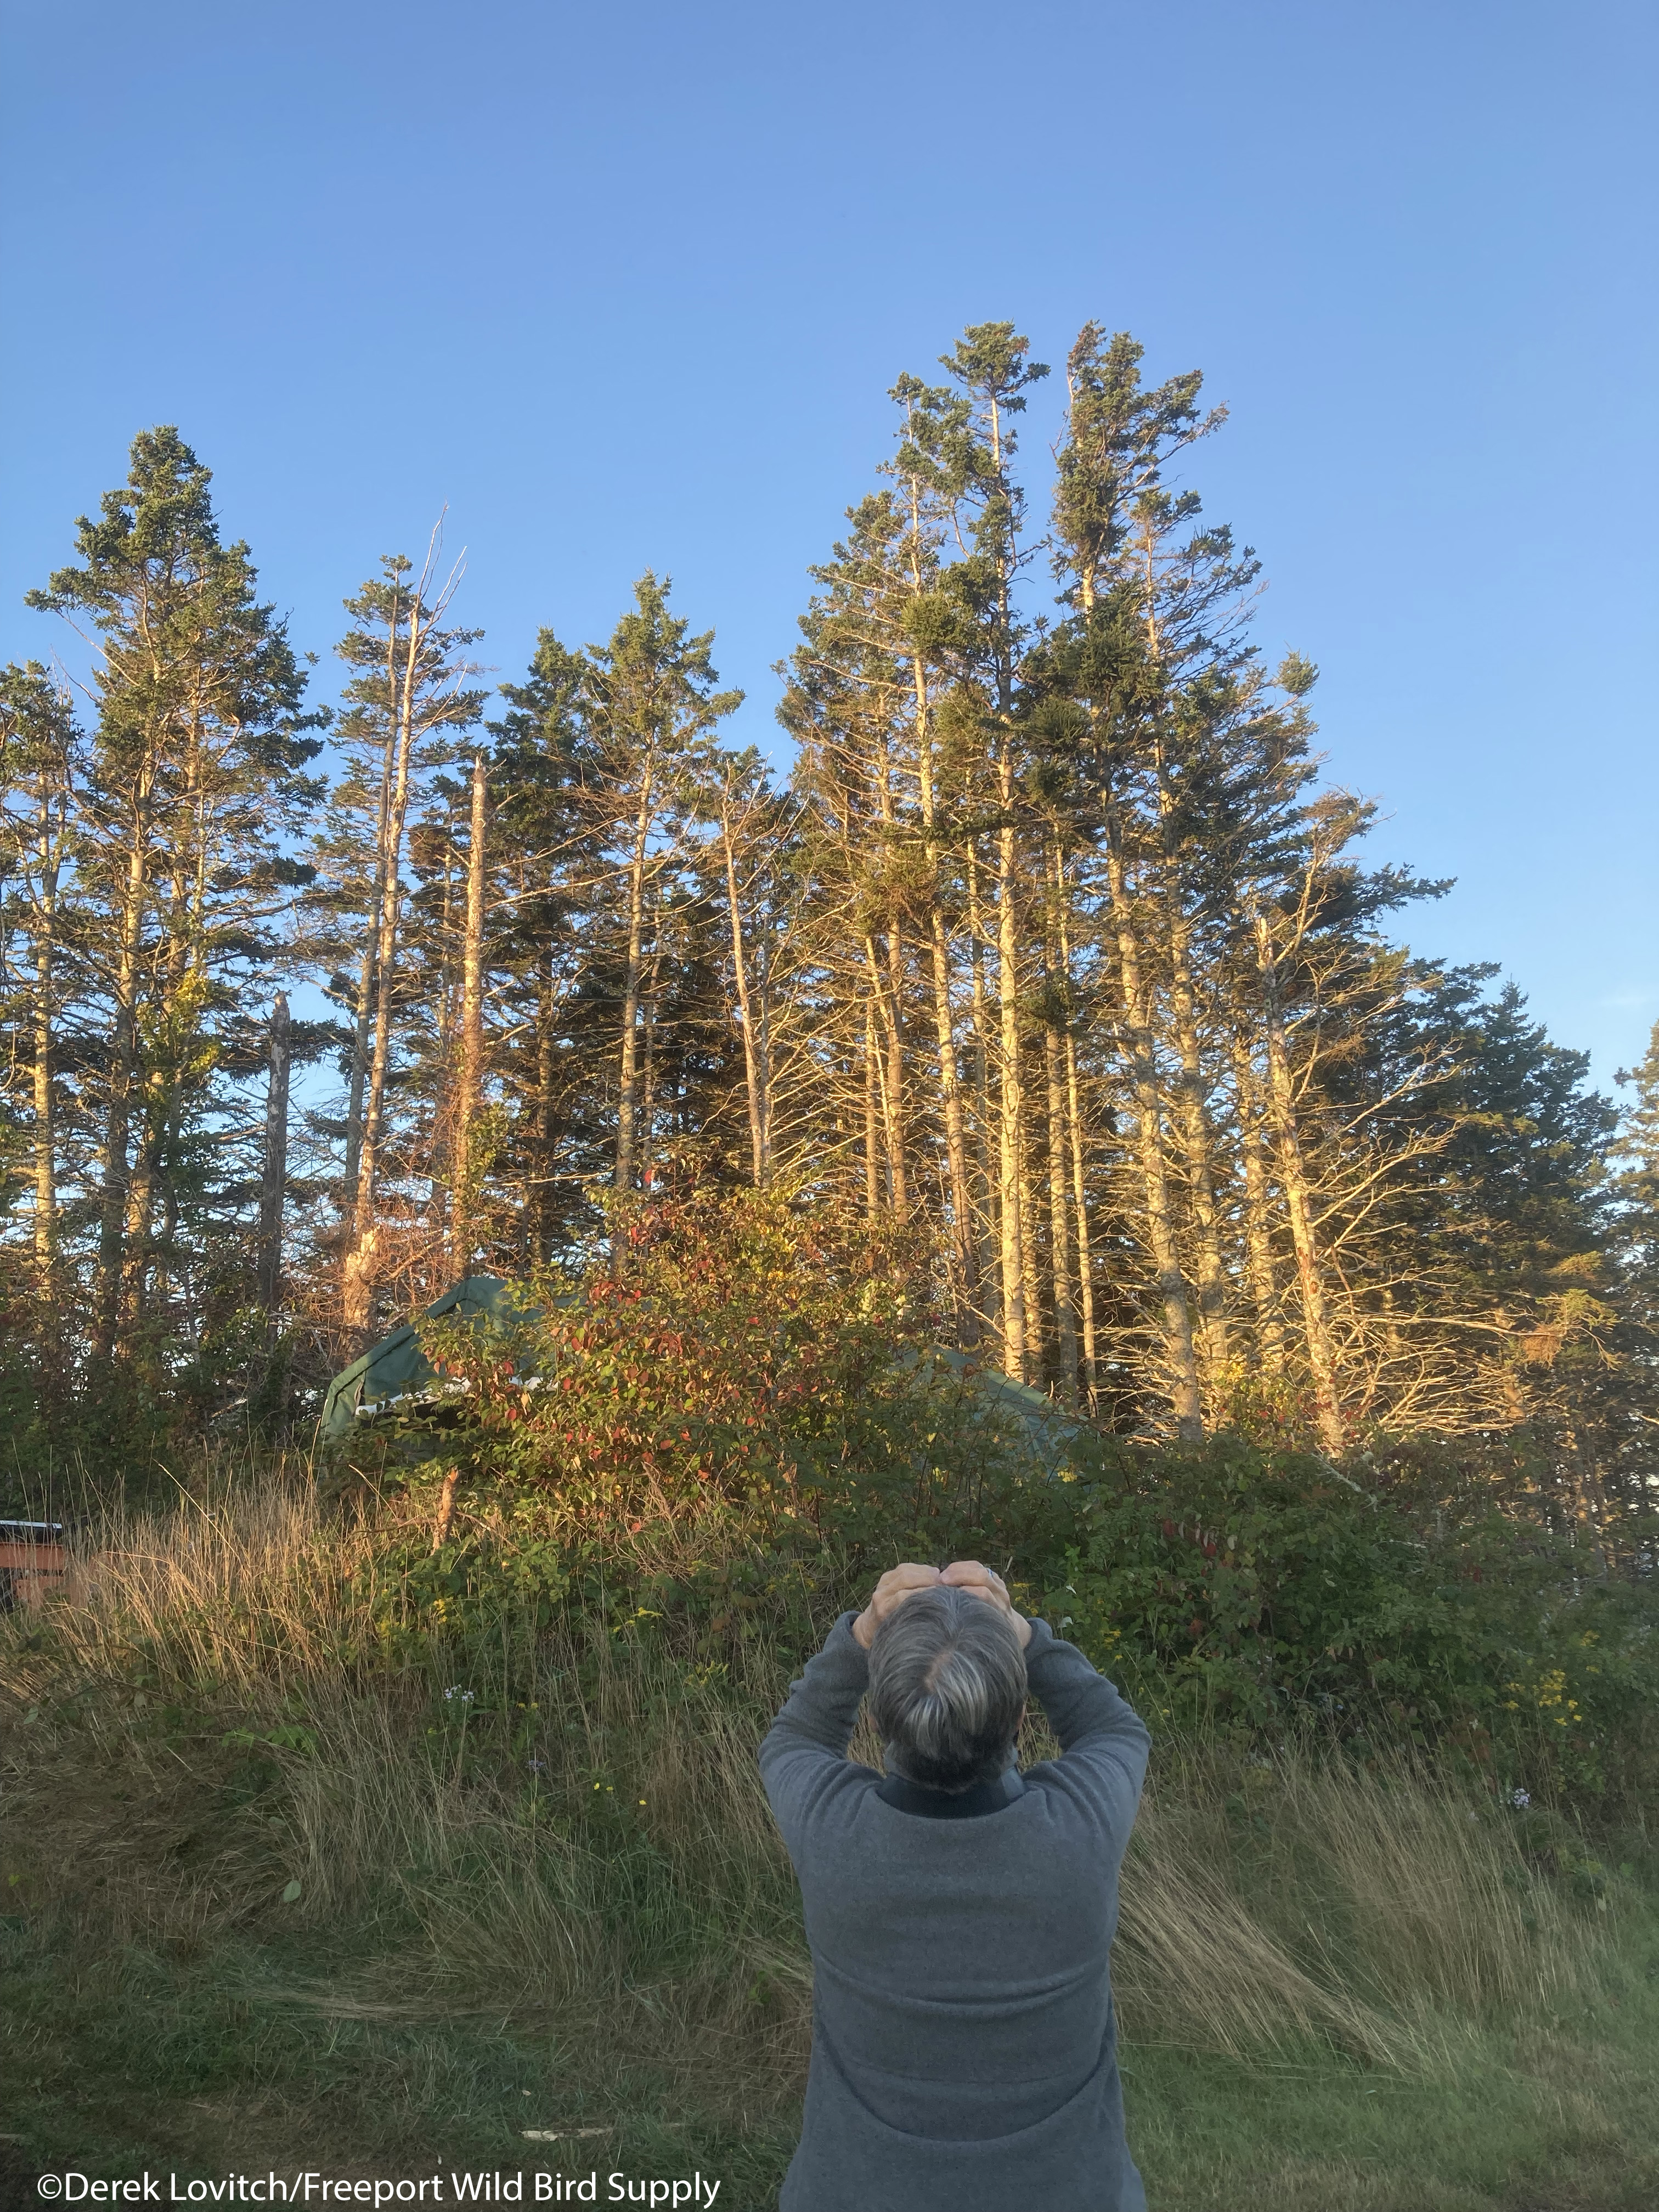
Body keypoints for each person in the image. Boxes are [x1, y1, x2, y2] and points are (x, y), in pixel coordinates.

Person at [758, 1559, 1150, 2212]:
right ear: (1020, 1720)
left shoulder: (836, 1835)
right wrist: (1027, 1634)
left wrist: (862, 1633)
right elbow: (1113, 1728)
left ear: (879, 1723)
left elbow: (794, 1737)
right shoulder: (1079, 1830)